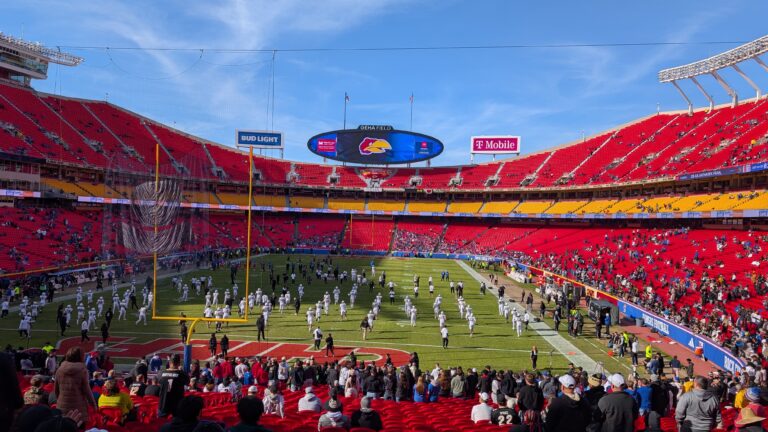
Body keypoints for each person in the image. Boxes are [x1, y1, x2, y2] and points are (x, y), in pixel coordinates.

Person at [54, 347, 97, 425]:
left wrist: (60, 401)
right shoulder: (83, 370)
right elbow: (87, 391)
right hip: (79, 408)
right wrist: (93, 405)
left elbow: (56, 390)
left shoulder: (59, 369)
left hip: (62, 405)